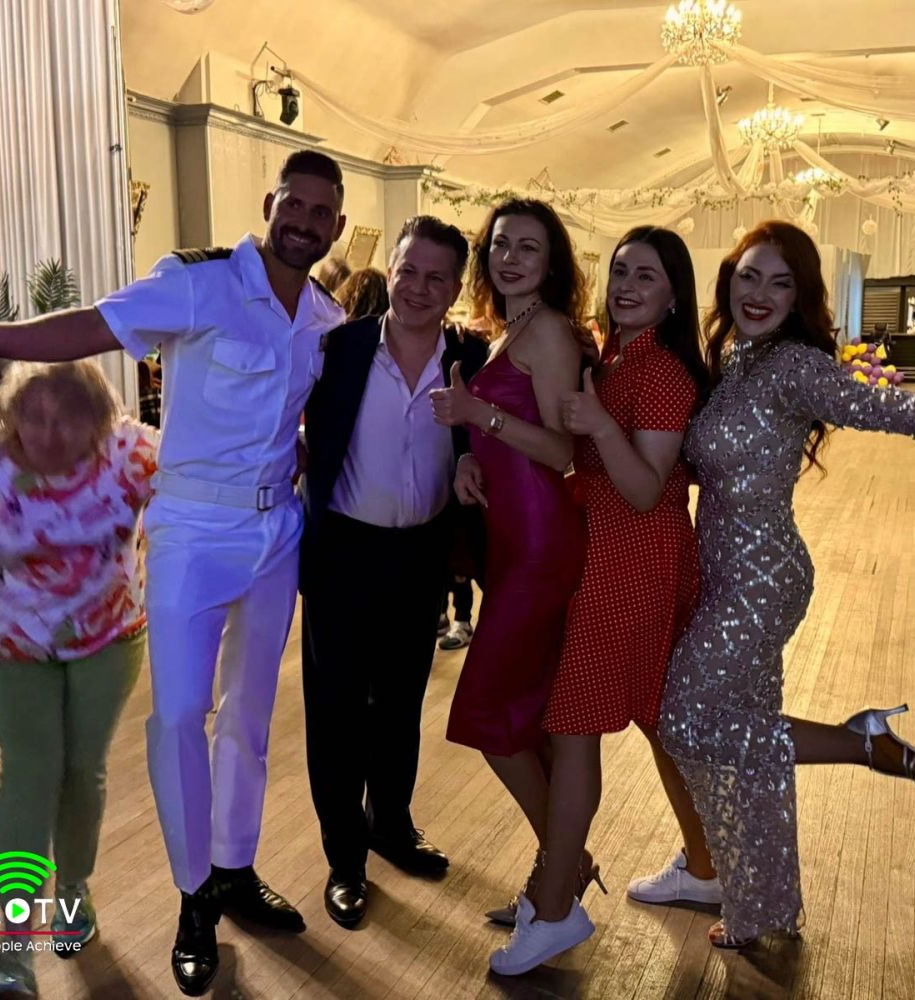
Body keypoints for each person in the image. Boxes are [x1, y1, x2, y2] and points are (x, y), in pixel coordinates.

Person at [0, 149, 349, 997]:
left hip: (276, 530)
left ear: (336, 227)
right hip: (193, 531)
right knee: (179, 718)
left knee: (249, 715)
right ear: (270, 203)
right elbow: (94, 325)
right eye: (295, 204)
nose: (305, 222)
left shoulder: (323, 317)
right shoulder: (200, 282)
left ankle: (234, 868)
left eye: (321, 212)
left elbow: (299, 415)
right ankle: (193, 898)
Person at [648, 220, 915, 950]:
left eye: (780, 283)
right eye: (749, 276)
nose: (759, 293)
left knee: (686, 719)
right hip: (729, 572)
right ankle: (762, 907)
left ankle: (861, 742)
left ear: (799, 297)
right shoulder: (733, 358)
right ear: (728, 279)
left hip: (760, 581)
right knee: (752, 743)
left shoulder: (793, 364)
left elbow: (867, 402)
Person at [487, 227, 722, 974]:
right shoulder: (617, 357)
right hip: (607, 555)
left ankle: (555, 907)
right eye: (620, 270)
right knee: (645, 719)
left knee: (573, 729)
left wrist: (595, 427)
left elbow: (648, 488)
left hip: (632, 563)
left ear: (674, 295)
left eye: (646, 276)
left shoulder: (662, 373)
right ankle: (705, 867)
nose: (626, 285)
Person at [0, 362, 156, 998]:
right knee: (28, 776)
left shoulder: (129, 452)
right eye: (34, 416)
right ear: (11, 415)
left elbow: (196, 491)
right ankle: (13, 947)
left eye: (68, 418)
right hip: (16, 645)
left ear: (99, 421)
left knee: (83, 770)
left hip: (109, 638)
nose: (48, 432)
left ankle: (72, 893)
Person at [300, 216, 487, 928]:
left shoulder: (469, 356)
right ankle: (345, 857)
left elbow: (482, 439)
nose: (417, 287)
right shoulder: (342, 348)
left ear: (456, 289)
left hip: (421, 554)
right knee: (337, 712)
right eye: (408, 270)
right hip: (343, 551)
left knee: (402, 703)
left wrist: (469, 458)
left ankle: (391, 824)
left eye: (436, 277)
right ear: (393, 269)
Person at [429, 198, 592, 926]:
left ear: (551, 262)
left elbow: (561, 451)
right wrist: (472, 459)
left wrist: (478, 417)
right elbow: (508, 437)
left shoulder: (548, 330)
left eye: (529, 247)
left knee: (488, 714)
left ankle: (563, 865)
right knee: (519, 714)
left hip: (541, 544)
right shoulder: (509, 331)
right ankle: (561, 867)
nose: (511, 257)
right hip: (512, 539)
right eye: (501, 244)